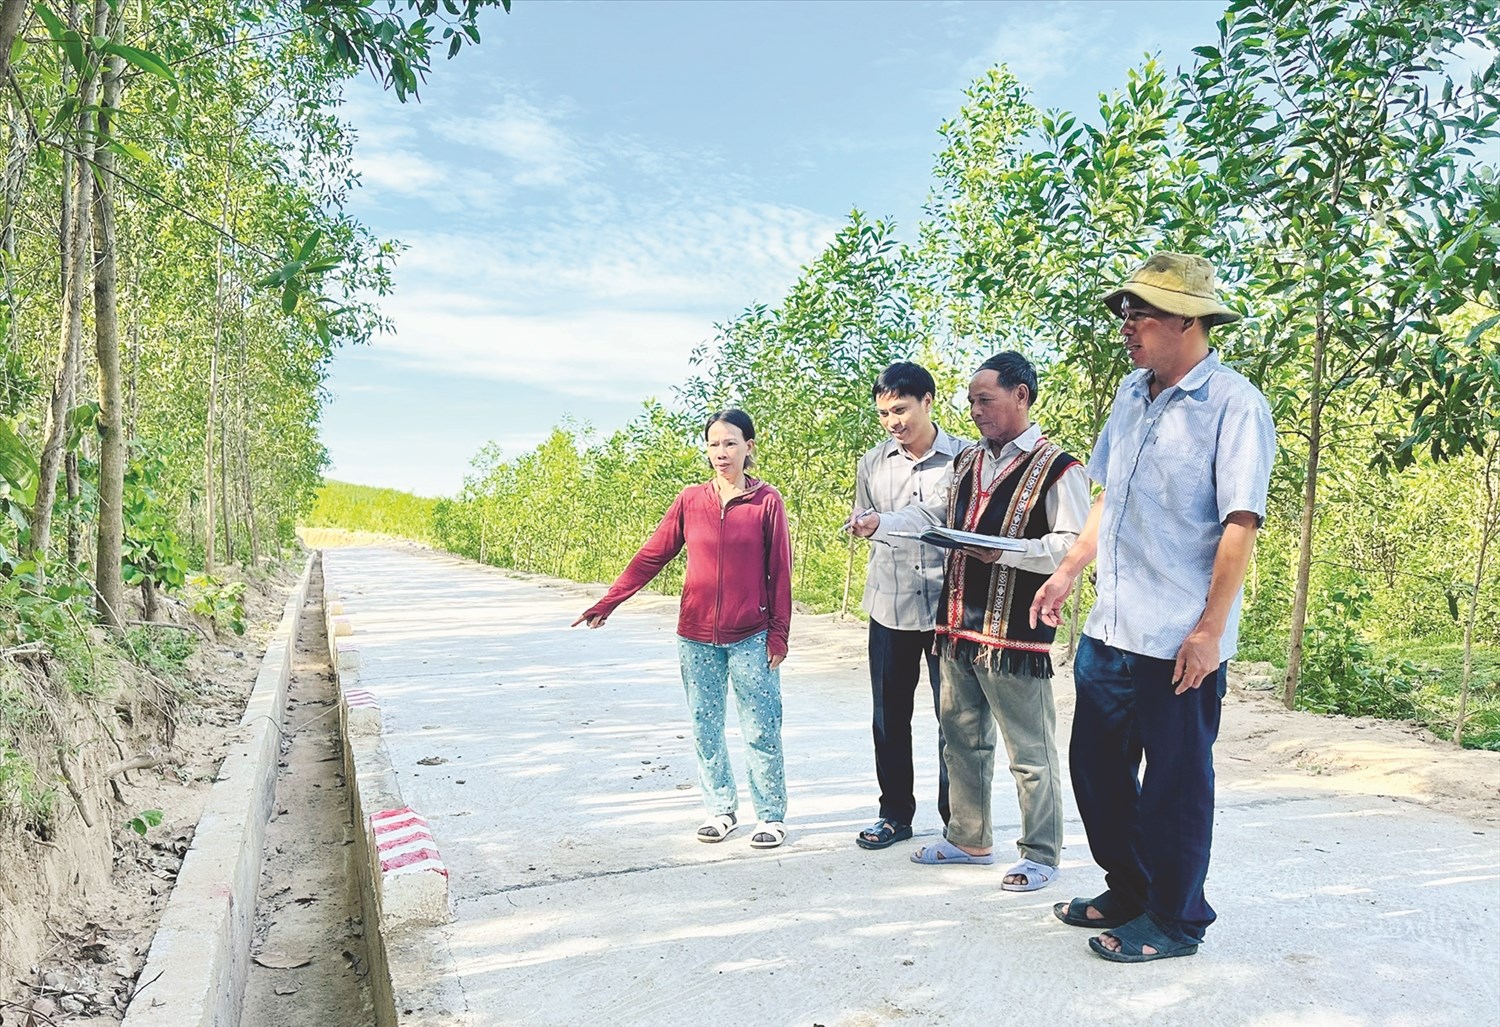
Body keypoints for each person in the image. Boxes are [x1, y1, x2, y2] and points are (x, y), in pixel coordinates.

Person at [1030, 252, 1275, 963]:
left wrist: (1208, 629)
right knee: (1096, 771)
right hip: (1112, 626)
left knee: (1175, 782)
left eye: (1140, 312)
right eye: (1125, 312)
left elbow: (1240, 523)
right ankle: (1130, 886)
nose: (1127, 326)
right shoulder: (1131, 396)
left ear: (1188, 320)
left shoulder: (1234, 404)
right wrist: (1070, 570)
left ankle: (1175, 917)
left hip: (1176, 637)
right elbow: (1108, 496)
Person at [851, 353, 1090, 892]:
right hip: (957, 622)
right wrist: (882, 522)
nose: (976, 411)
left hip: (1015, 630)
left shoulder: (1059, 467)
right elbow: (935, 517)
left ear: (1022, 395)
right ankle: (968, 837)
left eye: (986, 400)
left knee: (1028, 751)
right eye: (973, 402)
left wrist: (1002, 552)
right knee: (962, 738)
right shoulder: (967, 464)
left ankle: (1040, 852)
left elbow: (1069, 546)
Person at [573, 409, 793, 850]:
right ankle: (721, 809)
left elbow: (780, 572)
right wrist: (609, 601)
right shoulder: (691, 500)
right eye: (713, 444)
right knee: (705, 726)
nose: (721, 452)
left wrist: (779, 634)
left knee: (761, 727)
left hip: (751, 634)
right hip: (695, 636)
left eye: (730, 443)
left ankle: (770, 816)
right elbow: (652, 555)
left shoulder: (767, 502)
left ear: (749, 447)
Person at [850, 362, 969, 851]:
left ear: (928, 400)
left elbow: (953, 522)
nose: (893, 421)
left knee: (956, 719)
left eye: (900, 409)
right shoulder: (872, 464)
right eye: (883, 414)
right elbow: (865, 520)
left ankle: (956, 821)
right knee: (889, 716)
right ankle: (894, 813)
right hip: (890, 606)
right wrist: (863, 525)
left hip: (949, 608)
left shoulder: (967, 458)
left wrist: (885, 521)